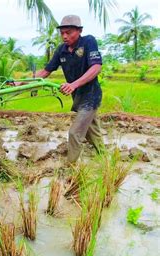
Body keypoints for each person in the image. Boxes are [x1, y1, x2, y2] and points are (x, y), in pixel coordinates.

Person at [36, 15, 103, 164]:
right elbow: (46, 71)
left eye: (69, 32)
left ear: (79, 30)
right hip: (78, 98)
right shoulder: (62, 50)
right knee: (92, 133)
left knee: (74, 133)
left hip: (91, 96)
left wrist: (73, 84)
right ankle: (105, 160)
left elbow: (96, 67)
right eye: (62, 33)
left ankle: (70, 169)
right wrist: (21, 82)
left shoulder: (88, 42)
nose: (64, 36)